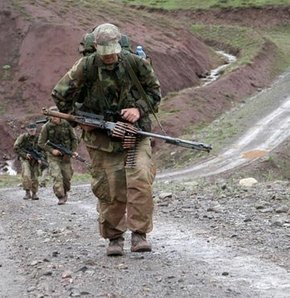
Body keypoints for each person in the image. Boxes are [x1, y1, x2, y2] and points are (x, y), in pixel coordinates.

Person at [51, 23, 162, 256]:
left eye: (113, 51)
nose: (109, 56)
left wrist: (138, 110)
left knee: (140, 179)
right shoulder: (86, 66)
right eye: (104, 51)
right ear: (97, 48)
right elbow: (60, 95)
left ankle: (140, 234)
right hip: (101, 139)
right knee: (111, 189)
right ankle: (114, 238)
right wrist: (79, 120)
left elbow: (154, 93)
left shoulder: (135, 63)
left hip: (135, 133)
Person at [38, 106, 79, 205]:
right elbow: (41, 143)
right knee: (57, 176)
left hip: (66, 156)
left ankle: (65, 191)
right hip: (53, 157)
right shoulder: (46, 127)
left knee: (67, 177)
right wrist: (52, 150)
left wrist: (73, 151)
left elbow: (74, 139)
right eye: (52, 116)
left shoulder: (67, 124)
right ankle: (60, 196)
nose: (54, 117)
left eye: (56, 115)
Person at [14, 122, 41, 200]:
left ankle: (34, 193)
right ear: (27, 130)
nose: (32, 131)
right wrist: (25, 155)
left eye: (33, 130)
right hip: (25, 159)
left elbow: (43, 149)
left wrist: (40, 158)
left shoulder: (39, 138)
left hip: (35, 160)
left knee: (35, 177)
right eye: (30, 130)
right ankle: (27, 192)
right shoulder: (22, 137)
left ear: (36, 130)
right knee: (26, 175)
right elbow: (16, 147)